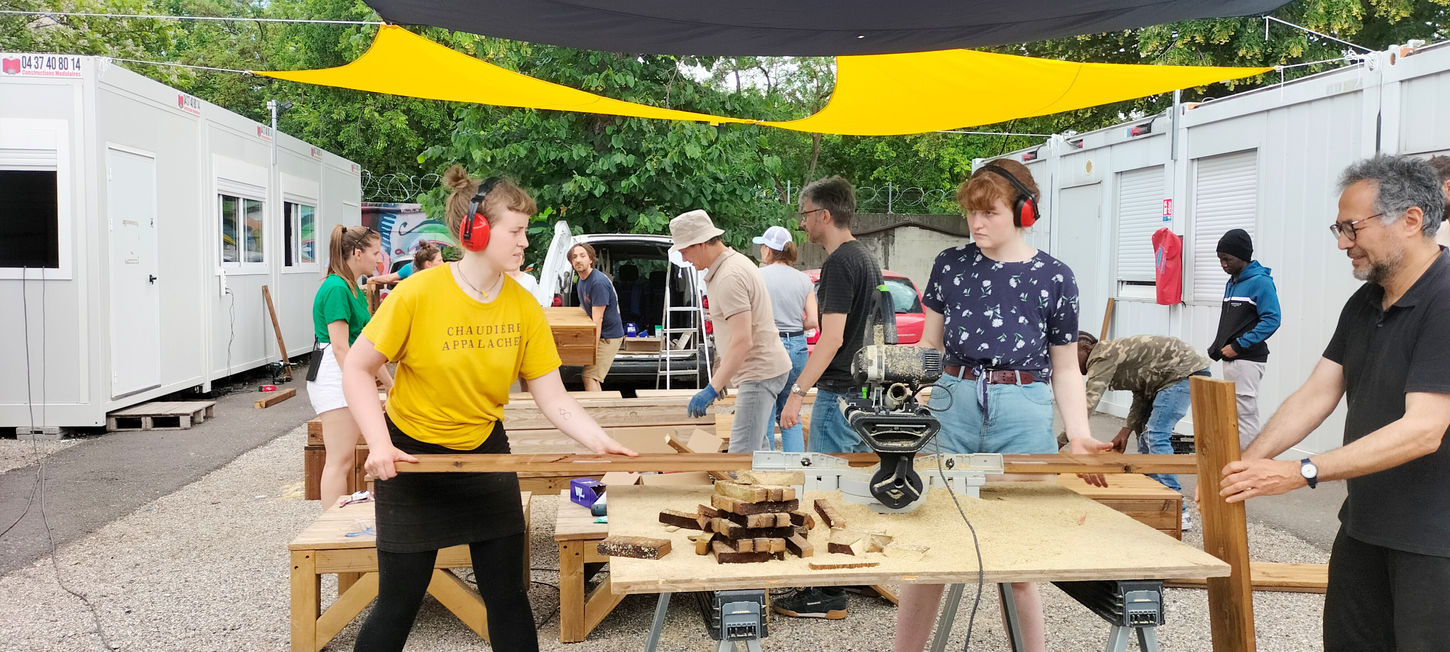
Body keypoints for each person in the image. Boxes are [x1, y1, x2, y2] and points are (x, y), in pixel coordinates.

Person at [340, 166, 637, 652]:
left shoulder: (523, 306)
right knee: (399, 599)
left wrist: (599, 440)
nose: (525, 242)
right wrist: (379, 444)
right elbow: (356, 368)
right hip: (412, 459)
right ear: (474, 230)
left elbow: (552, 395)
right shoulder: (418, 294)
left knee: (507, 596)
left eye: (525, 231)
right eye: (516, 231)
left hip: (485, 454)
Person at [1217, 155, 1450, 650]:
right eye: (1337, 229)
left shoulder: (1446, 299)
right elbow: (1317, 393)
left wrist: (1300, 471)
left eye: (1352, 228)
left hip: (1435, 545)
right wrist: (1247, 463)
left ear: (1411, 220)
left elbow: (1424, 429)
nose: (1343, 243)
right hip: (1364, 529)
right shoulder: (1366, 301)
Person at [895, 159, 1111, 652]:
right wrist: (910, 401)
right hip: (953, 403)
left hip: (1024, 409)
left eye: (988, 212)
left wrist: (1077, 433)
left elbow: (1065, 367)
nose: (976, 223)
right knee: (932, 551)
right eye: (971, 212)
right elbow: (930, 346)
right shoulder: (949, 265)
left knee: (1019, 561)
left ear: (1024, 212)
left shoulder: (1056, 277)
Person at [774, 176, 881, 620]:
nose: (802, 223)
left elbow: (832, 337)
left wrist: (798, 393)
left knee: (824, 492)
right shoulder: (867, 259)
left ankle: (825, 591)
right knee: (849, 493)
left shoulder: (840, 263)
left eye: (804, 213)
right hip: (864, 395)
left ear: (824, 214)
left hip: (839, 396)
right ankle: (843, 571)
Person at [671, 210, 792, 453]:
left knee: (741, 457)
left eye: (685, 251)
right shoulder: (732, 265)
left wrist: (713, 387)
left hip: (758, 372)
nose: (684, 259)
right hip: (761, 369)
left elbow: (742, 341)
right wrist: (724, 375)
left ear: (701, 243)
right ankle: (772, 489)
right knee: (758, 451)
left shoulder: (729, 276)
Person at [1078, 332, 1211, 527]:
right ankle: (1155, 502)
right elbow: (1141, 393)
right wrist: (1126, 430)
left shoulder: (1101, 356)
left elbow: (1089, 402)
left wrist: (1064, 439)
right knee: (1145, 436)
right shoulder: (1116, 354)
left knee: (1155, 434)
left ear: (1084, 348)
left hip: (1183, 373)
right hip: (1174, 375)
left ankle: (1177, 509)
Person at [309, 224, 393, 509]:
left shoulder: (352, 288)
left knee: (345, 457)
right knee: (340, 458)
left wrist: (389, 384)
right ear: (357, 253)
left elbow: (365, 347)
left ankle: (337, 518)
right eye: (375, 253)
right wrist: (360, 384)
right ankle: (329, 525)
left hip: (345, 370)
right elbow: (341, 346)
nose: (379, 259)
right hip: (334, 373)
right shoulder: (335, 288)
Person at [1208, 228, 1281, 449]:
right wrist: (1217, 346)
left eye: (1227, 259)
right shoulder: (1232, 282)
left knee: (1244, 413)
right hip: (1232, 358)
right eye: (1220, 259)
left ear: (1242, 256)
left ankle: (1249, 466)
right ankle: (1237, 462)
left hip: (1247, 359)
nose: (1223, 264)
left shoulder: (1260, 282)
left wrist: (1238, 345)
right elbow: (1232, 322)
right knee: (1233, 412)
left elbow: (1272, 319)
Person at [756, 225, 818, 452]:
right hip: (797, 348)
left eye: (763, 246)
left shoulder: (758, 275)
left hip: (769, 348)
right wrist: (793, 323)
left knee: (765, 414)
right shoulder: (803, 280)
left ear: (769, 250)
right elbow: (812, 321)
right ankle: (796, 471)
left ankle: (768, 471)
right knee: (791, 413)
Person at [569, 242, 624, 391]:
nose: (578, 260)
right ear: (571, 262)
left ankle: (597, 411)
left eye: (582, 256)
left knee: (589, 376)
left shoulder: (597, 282)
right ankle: (601, 408)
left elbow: (597, 319)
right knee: (593, 377)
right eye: (574, 257)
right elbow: (584, 309)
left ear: (591, 259)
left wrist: (591, 346)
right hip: (602, 335)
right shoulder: (582, 280)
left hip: (608, 337)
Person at [369, 242, 443, 286]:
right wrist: (374, 279)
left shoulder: (443, 272)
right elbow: (390, 277)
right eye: (440, 260)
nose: (443, 263)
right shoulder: (410, 268)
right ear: (428, 264)